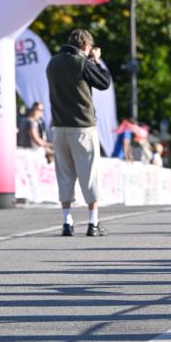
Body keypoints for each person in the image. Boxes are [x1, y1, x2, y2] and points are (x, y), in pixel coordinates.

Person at [46, 28, 111, 236]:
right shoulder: (82, 63)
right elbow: (104, 82)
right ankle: (93, 223)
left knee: (64, 174)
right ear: (85, 45)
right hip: (82, 127)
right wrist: (96, 61)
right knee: (88, 173)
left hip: (59, 126)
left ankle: (67, 221)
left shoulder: (52, 63)